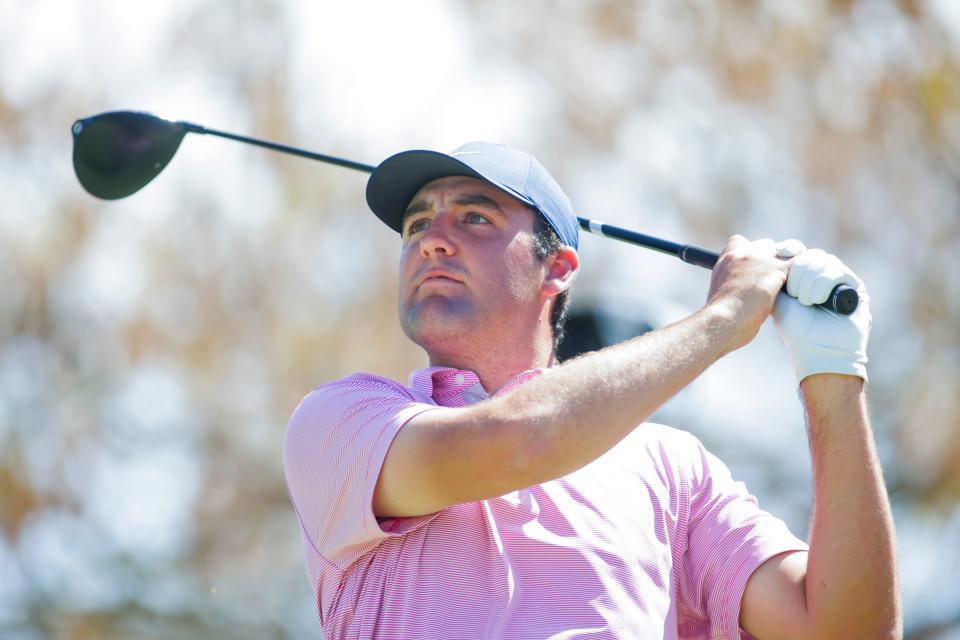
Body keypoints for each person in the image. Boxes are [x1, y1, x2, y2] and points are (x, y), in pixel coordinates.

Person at [283, 142, 900, 639]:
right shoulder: (342, 421)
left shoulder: (670, 470)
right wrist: (722, 319)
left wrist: (834, 375)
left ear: (557, 269)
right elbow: (515, 443)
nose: (431, 239)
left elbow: (847, 630)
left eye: (474, 216)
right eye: (417, 223)